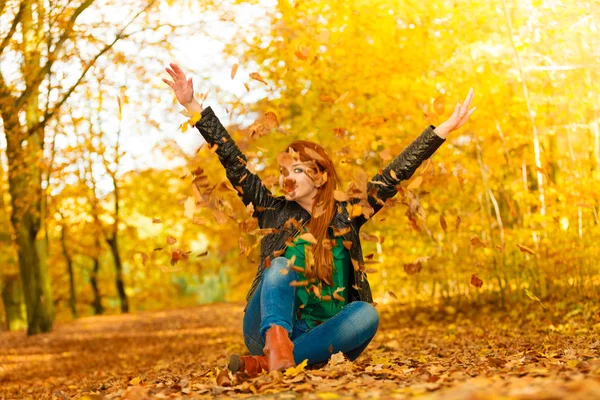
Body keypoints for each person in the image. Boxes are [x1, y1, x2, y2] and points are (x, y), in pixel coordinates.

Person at [163, 63, 475, 375]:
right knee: (281, 265)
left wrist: (442, 131)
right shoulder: (270, 209)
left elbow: (394, 175)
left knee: (367, 313)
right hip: (266, 322)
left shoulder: (347, 212)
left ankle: (268, 363)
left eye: (297, 170)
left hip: (324, 333)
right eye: (284, 171)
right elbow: (232, 159)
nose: (287, 177)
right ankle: (274, 347)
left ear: (320, 176)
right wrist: (193, 105)